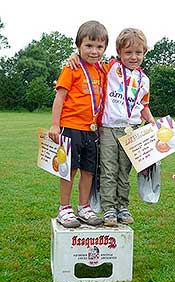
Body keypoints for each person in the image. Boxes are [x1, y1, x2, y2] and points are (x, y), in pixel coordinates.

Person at [68, 28, 155, 226]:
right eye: (128, 52)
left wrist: (151, 122)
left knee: (124, 171)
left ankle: (122, 207)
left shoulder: (144, 80)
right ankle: (109, 210)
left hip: (132, 130)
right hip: (107, 128)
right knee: (108, 169)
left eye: (138, 52)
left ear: (144, 53)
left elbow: (144, 106)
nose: (133, 57)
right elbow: (89, 61)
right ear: (119, 52)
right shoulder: (110, 68)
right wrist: (75, 56)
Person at [48, 20, 109, 228]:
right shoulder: (71, 68)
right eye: (88, 46)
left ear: (105, 49)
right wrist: (55, 125)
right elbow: (60, 97)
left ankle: (84, 207)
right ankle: (64, 208)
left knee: (89, 170)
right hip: (70, 127)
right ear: (78, 46)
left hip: (92, 131)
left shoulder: (102, 70)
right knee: (69, 169)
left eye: (99, 46)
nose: (94, 51)